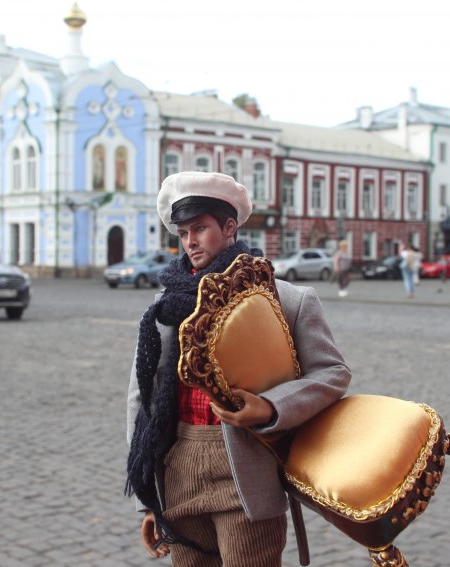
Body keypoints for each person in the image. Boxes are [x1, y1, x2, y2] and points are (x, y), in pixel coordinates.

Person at [125, 171, 351, 566]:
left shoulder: (284, 298)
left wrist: (271, 406)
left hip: (246, 474)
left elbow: (332, 373)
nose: (190, 241)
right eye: (183, 233)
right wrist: (148, 501)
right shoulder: (165, 306)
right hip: (177, 470)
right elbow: (140, 397)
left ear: (229, 227)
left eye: (200, 228)